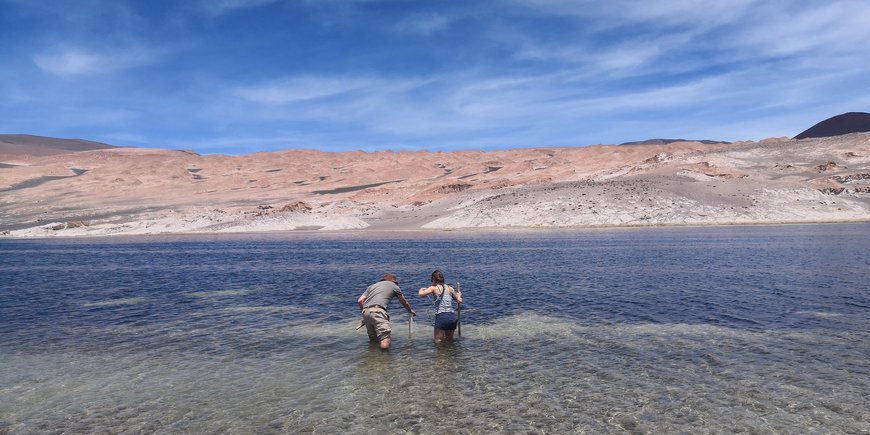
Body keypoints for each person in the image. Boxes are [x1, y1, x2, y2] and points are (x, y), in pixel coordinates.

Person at [357, 273, 416, 350]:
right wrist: (410, 310)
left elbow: (360, 300)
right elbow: (404, 302)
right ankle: (385, 360)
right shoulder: (394, 286)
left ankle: (373, 360)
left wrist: (365, 313)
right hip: (378, 311)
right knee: (385, 340)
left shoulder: (372, 286)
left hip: (365, 312)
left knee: (373, 340)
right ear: (393, 281)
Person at [418, 270, 462, 344]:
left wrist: (421, 289)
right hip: (452, 317)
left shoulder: (433, 288)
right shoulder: (450, 288)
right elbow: (459, 301)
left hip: (442, 316)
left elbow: (421, 294)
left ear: (434, 279)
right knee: (450, 340)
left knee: (438, 341)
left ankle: (439, 355)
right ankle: (451, 354)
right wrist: (459, 295)